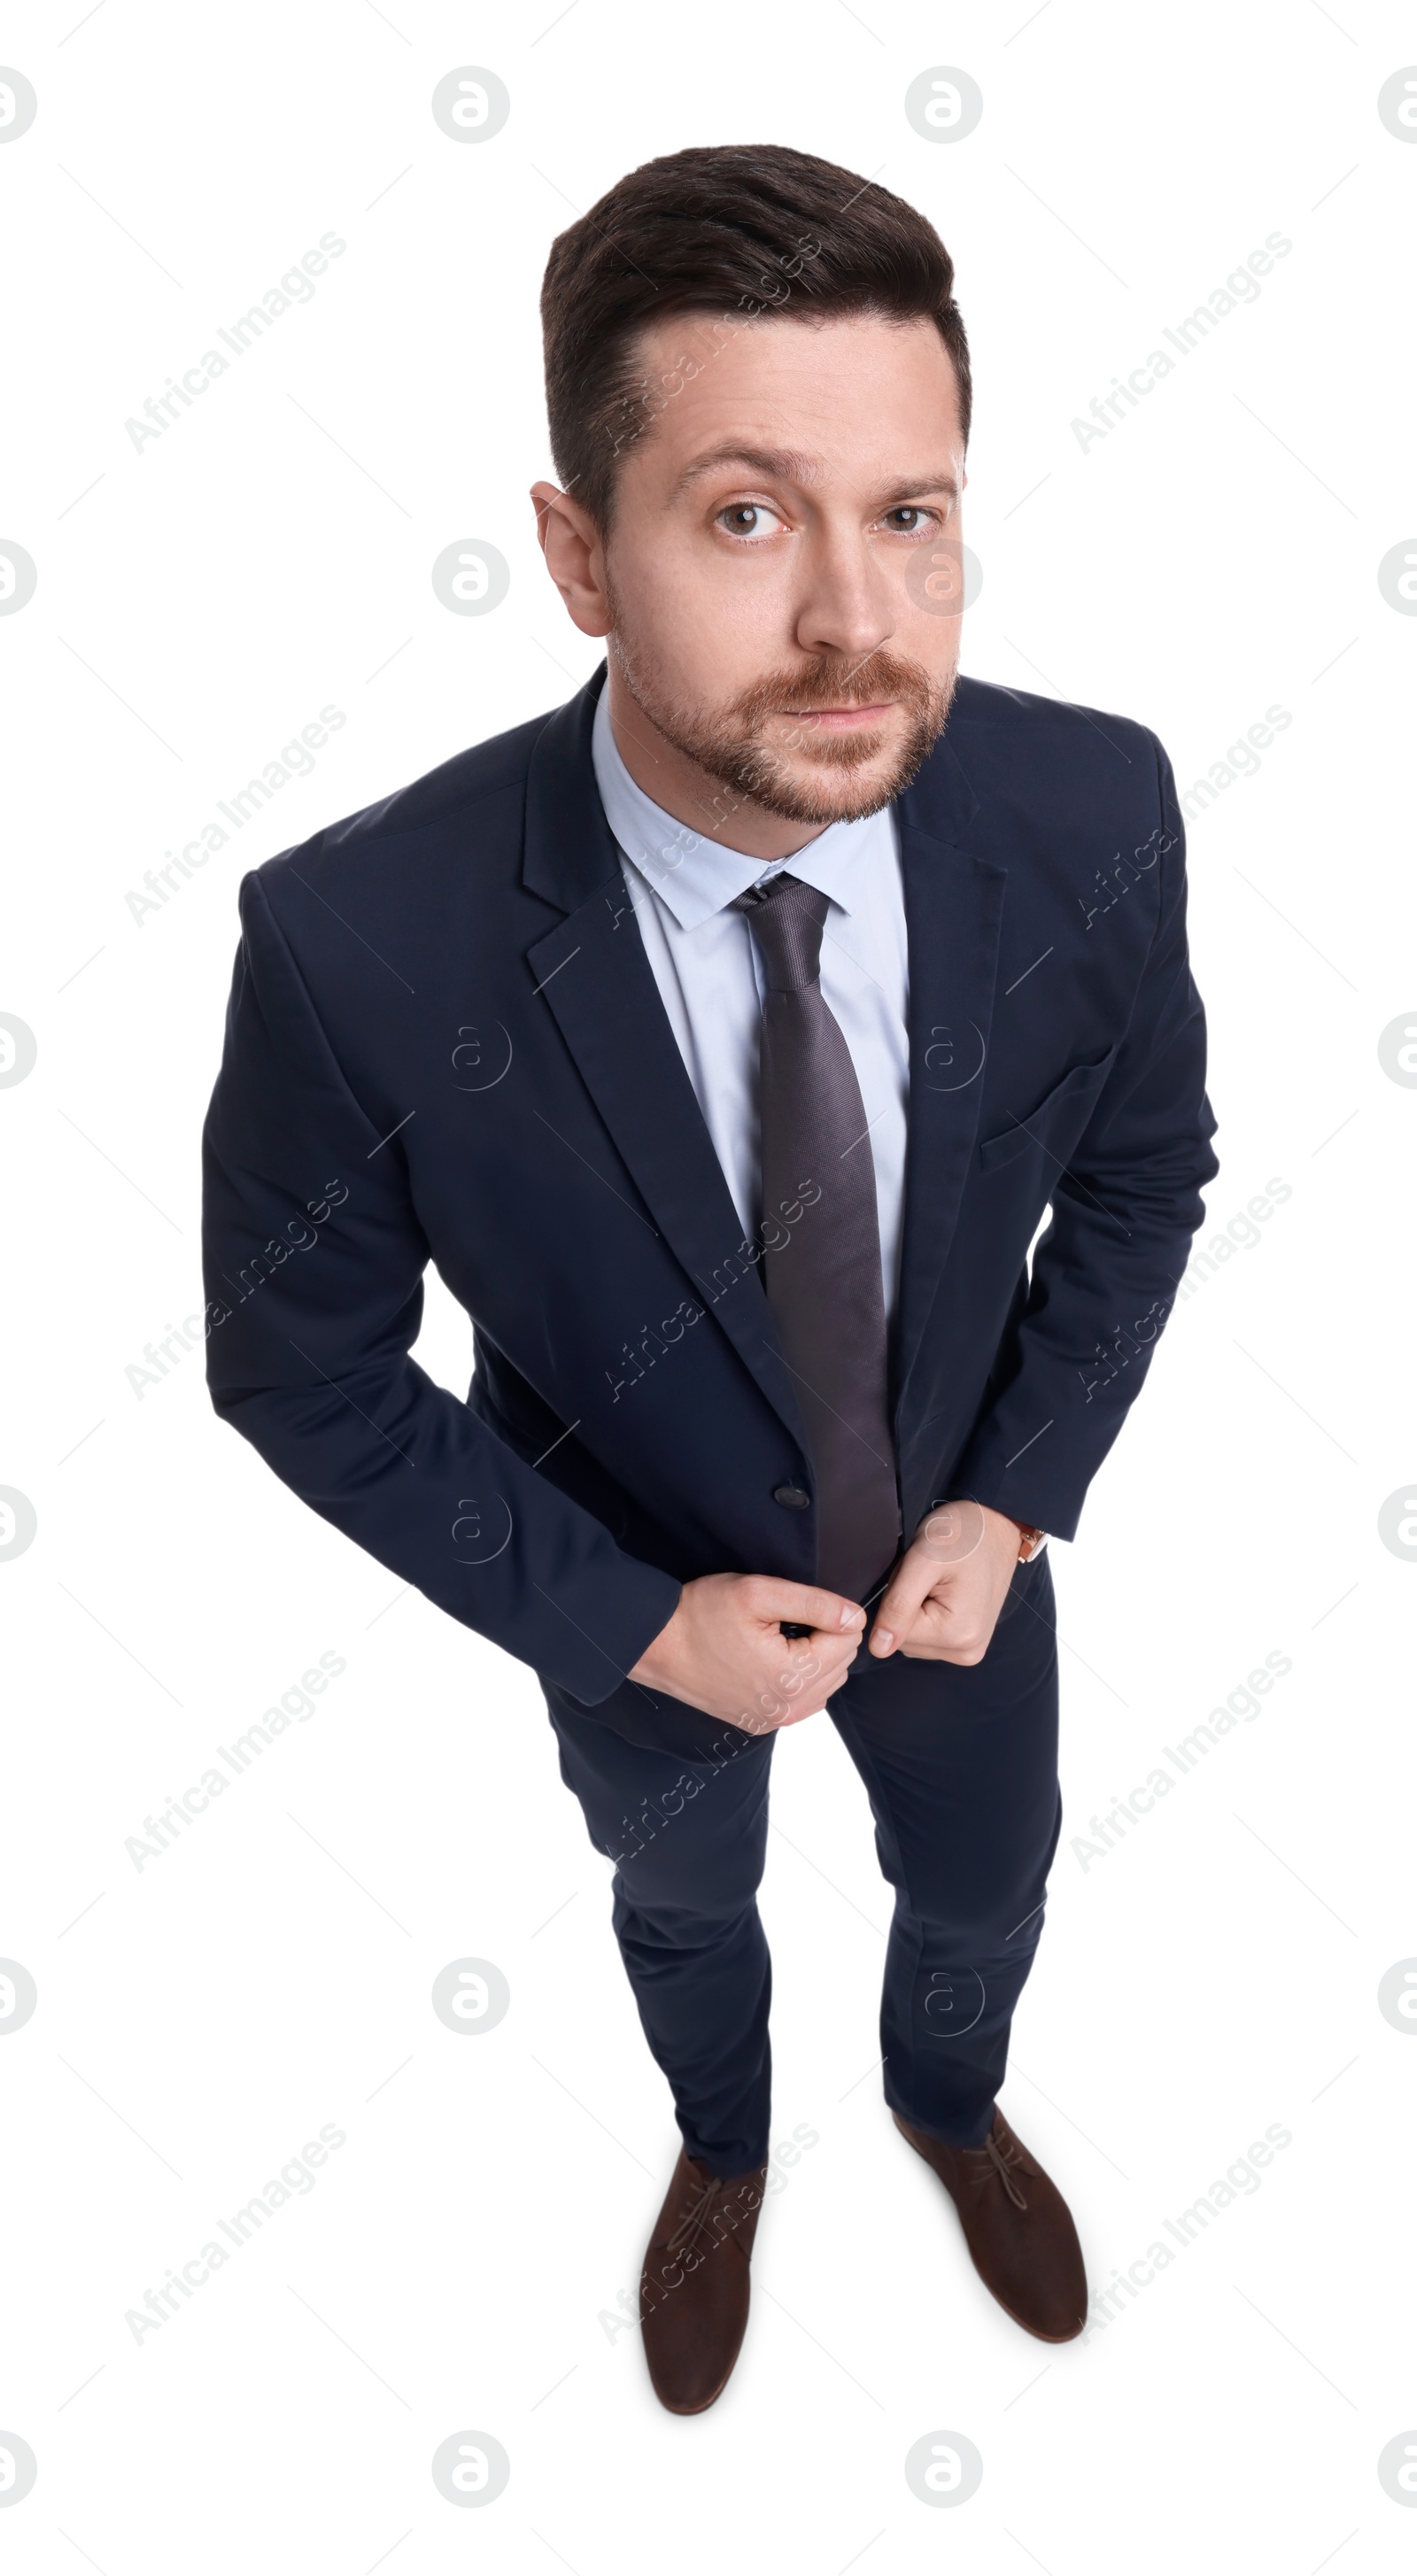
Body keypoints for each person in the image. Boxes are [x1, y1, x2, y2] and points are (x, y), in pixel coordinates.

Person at [201, 143, 1218, 2415]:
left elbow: (1145, 1175)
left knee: (979, 1896)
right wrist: (632, 1619)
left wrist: (1018, 1496)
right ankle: (721, 2149)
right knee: (682, 1910)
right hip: (622, 1597)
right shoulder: (358, 945)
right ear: (578, 551)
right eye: (748, 517)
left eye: (913, 514)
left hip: (964, 1573)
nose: (860, 621)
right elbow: (301, 1372)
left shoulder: (1092, 811)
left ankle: (944, 2109)